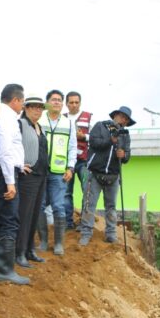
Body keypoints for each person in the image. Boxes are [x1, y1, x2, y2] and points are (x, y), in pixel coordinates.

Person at [0, 83, 29, 284]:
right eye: (23, 102)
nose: (23, 106)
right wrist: (11, 182)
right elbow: (5, 150)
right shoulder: (9, 118)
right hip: (3, 174)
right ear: (16, 100)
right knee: (9, 221)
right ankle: (5, 270)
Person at [79, 106, 135, 246]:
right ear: (115, 115)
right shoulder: (100, 126)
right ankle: (86, 233)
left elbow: (127, 155)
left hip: (114, 176)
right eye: (122, 117)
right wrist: (111, 140)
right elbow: (94, 142)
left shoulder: (125, 135)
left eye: (126, 120)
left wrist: (124, 155)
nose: (123, 120)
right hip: (95, 173)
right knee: (89, 204)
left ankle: (111, 234)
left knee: (111, 206)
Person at [37, 90, 77, 256]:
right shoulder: (39, 120)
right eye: (53, 100)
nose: (57, 103)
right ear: (47, 102)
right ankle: (44, 242)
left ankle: (59, 244)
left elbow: (72, 147)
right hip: (39, 171)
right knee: (39, 207)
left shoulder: (68, 123)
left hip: (58, 172)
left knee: (59, 206)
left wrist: (71, 167)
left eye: (60, 100)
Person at [16, 95, 49, 267]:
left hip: (41, 175)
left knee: (35, 214)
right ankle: (19, 252)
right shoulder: (20, 125)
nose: (38, 110)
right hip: (27, 177)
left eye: (40, 107)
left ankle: (29, 250)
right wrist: (19, 164)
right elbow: (12, 145)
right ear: (26, 108)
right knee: (25, 215)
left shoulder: (40, 127)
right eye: (34, 106)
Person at [64, 91, 92, 230]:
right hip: (66, 161)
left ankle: (84, 223)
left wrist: (84, 137)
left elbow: (95, 136)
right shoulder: (61, 118)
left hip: (83, 160)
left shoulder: (89, 117)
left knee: (87, 190)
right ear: (66, 104)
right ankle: (68, 222)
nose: (74, 105)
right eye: (71, 102)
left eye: (76, 102)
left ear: (80, 103)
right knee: (66, 192)